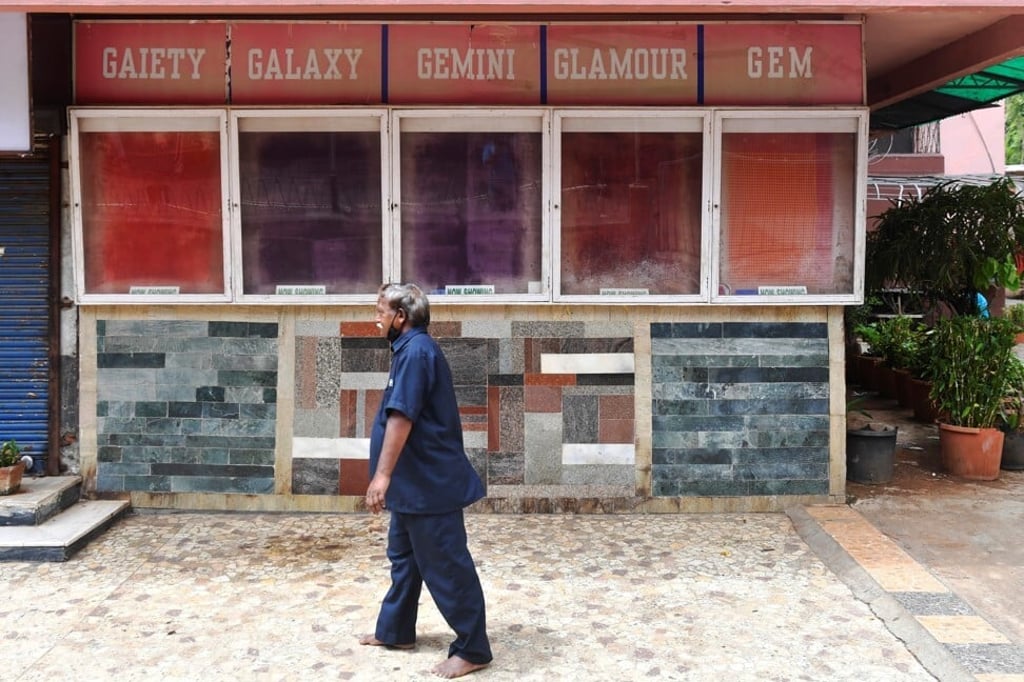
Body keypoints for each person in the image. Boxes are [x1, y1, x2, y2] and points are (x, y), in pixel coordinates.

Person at [359, 282, 493, 679]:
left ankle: (473, 648)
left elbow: (402, 416)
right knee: (404, 558)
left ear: (401, 317)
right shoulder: (408, 350)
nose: (376, 317)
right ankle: (396, 630)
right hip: (413, 485)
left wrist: (381, 476)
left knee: (447, 565)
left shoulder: (416, 352)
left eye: (381, 310)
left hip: (428, 485)